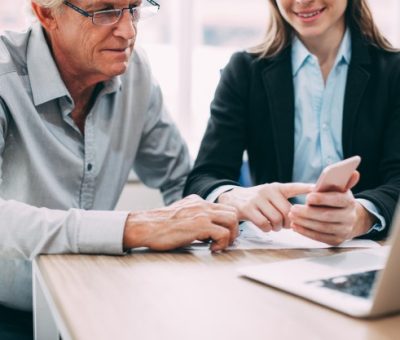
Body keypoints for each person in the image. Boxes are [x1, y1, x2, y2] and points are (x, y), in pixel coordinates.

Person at [0, 1, 238, 338]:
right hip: (9, 311)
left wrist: (230, 199)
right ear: (46, 13)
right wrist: (133, 227)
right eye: (105, 11)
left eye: (134, 8)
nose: (128, 31)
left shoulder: (135, 71)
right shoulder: (3, 76)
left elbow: (181, 180)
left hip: (96, 298)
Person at [185, 0, 400, 246]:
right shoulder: (245, 71)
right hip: (278, 251)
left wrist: (362, 216)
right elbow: (203, 178)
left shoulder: (393, 72)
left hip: (371, 252)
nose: (302, 1)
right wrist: (232, 197)